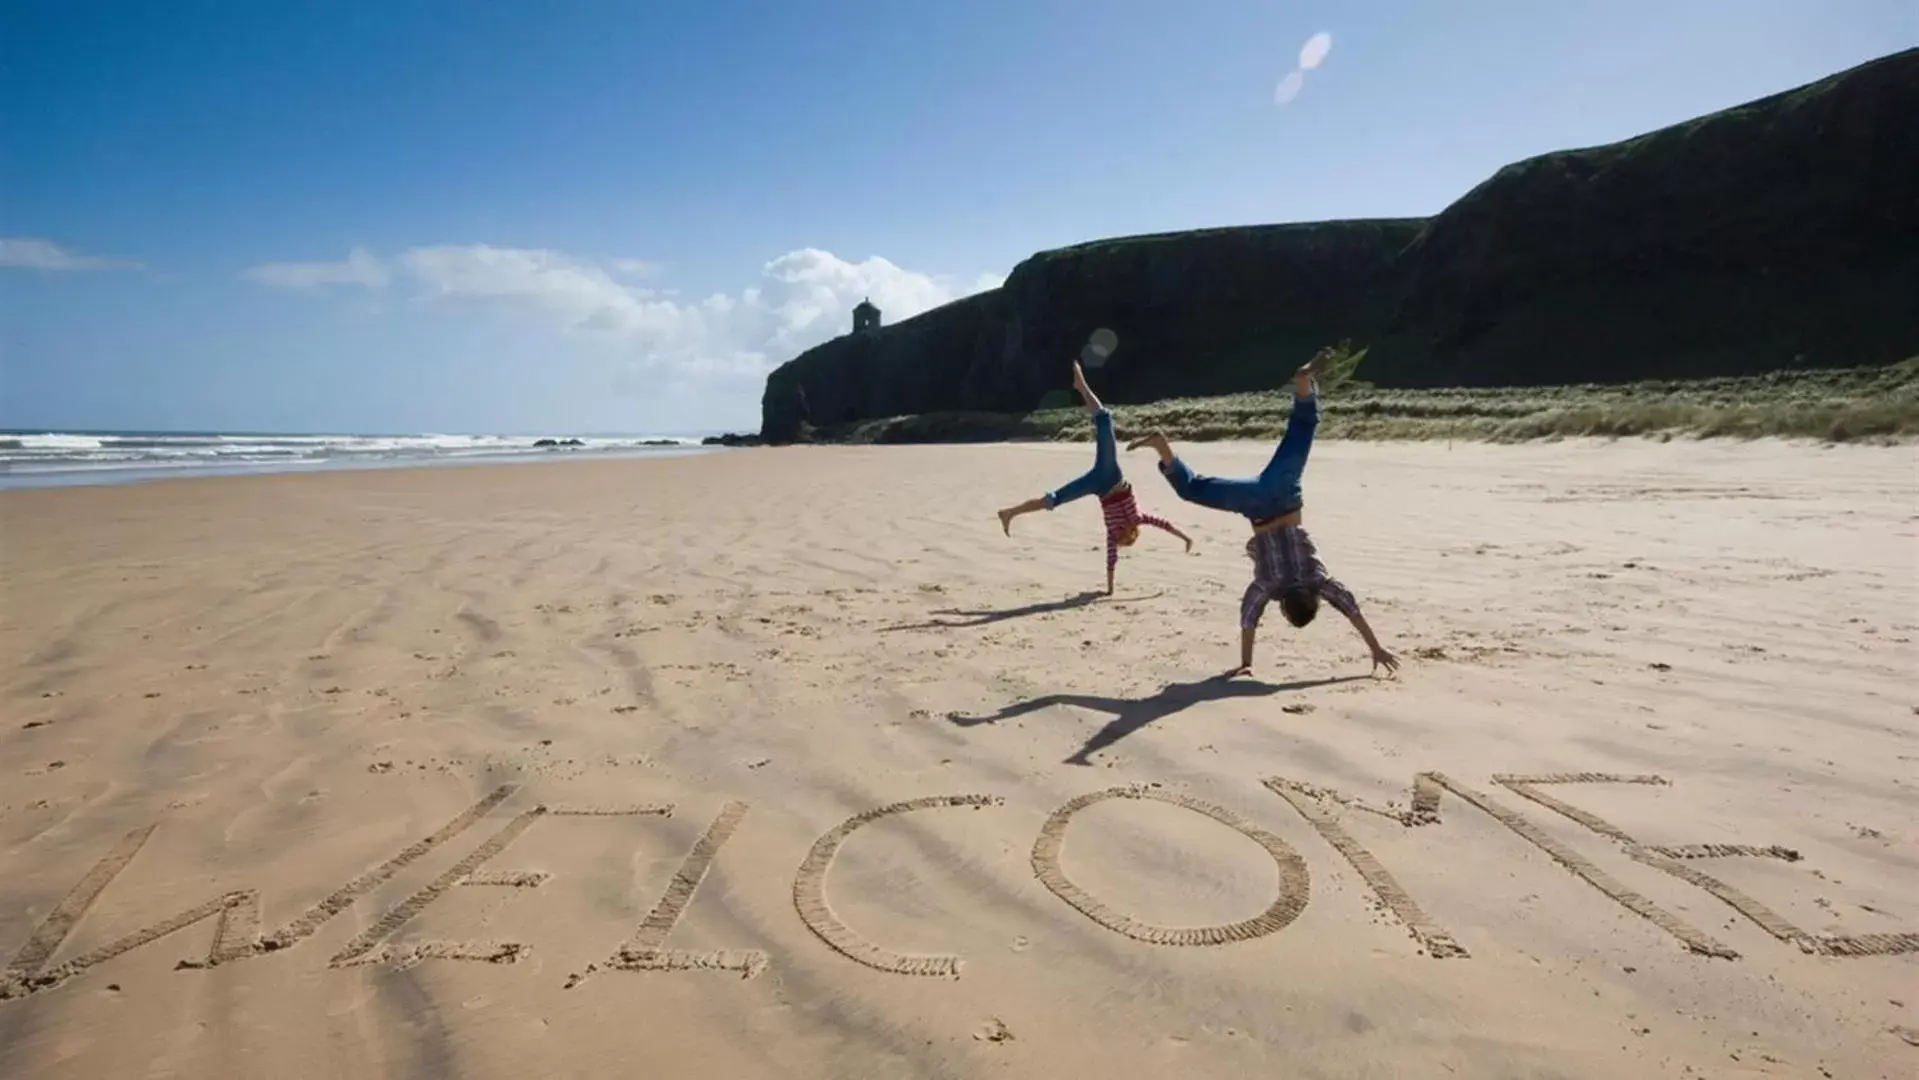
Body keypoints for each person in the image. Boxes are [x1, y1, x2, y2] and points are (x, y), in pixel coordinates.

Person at [1128, 349, 1399, 678]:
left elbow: (1350, 608)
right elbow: (1249, 618)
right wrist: (1246, 663)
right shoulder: (1269, 586)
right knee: (1192, 489)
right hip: (1255, 505)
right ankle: (1163, 448)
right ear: (1284, 608)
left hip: (1283, 493)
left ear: (1312, 598)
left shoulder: (1318, 581)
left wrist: (1376, 647)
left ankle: (1303, 383)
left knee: (1302, 429)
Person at [999, 359, 1192, 595]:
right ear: (1129, 535)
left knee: (1052, 499)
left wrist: (1110, 590)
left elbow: (1112, 563)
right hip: (1107, 476)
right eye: (1123, 540)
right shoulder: (1136, 519)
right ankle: (1081, 386)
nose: (1118, 542)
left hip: (1100, 482)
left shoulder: (1119, 531)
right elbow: (1164, 525)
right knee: (1103, 419)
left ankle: (1009, 513)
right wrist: (1184, 538)